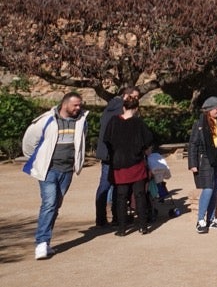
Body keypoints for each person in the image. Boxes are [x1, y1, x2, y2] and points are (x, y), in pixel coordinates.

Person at [22, 92, 88, 260]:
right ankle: (41, 242)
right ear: (65, 104)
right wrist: (39, 160)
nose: (78, 108)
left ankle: (46, 241)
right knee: (49, 203)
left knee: (56, 204)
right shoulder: (47, 120)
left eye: (80, 105)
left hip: (67, 170)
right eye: (75, 105)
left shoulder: (81, 121)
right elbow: (29, 142)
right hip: (48, 169)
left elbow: (81, 141)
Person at [103, 88, 155, 236]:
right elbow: (148, 141)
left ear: (123, 107)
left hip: (119, 164)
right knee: (140, 195)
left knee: (121, 196)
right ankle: (143, 226)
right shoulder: (139, 123)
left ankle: (121, 228)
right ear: (137, 108)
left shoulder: (114, 122)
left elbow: (107, 140)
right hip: (136, 163)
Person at [188, 96, 217, 234]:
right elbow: (193, 144)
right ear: (208, 110)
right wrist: (193, 163)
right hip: (206, 158)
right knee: (208, 188)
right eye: (215, 108)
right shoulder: (199, 124)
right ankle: (200, 219)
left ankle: (211, 218)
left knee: (216, 189)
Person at [94, 93, 124, 228]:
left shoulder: (107, 110)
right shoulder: (119, 112)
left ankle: (101, 218)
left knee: (105, 185)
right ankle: (116, 216)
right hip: (114, 154)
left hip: (106, 154)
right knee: (116, 185)